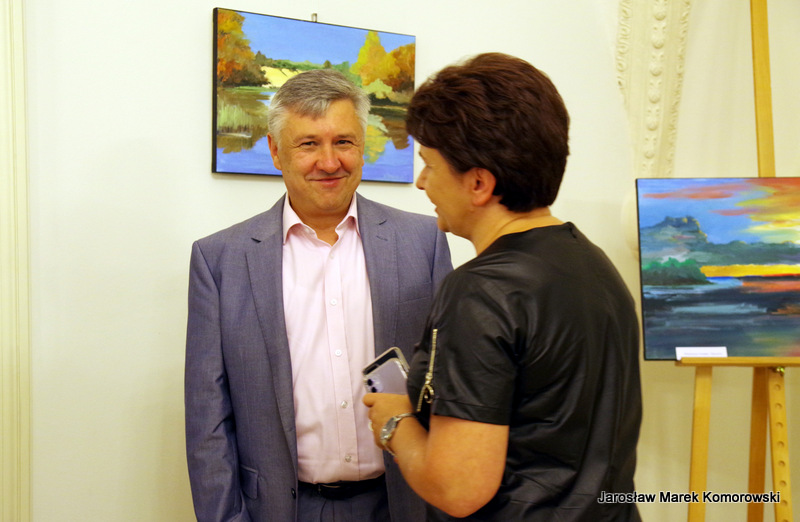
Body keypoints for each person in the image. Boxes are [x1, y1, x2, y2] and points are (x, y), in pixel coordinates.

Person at [364, 52, 642, 521]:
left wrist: (395, 423)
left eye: (429, 165)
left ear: (478, 183)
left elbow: (458, 488)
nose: (421, 182)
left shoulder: (480, 292)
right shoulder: (596, 265)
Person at [185, 69, 452, 521]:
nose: (329, 163)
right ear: (275, 151)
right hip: (280, 509)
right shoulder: (220, 261)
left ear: (362, 146)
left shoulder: (424, 243)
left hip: (402, 503)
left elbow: (449, 385)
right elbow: (207, 419)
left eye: (343, 142)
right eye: (308, 144)